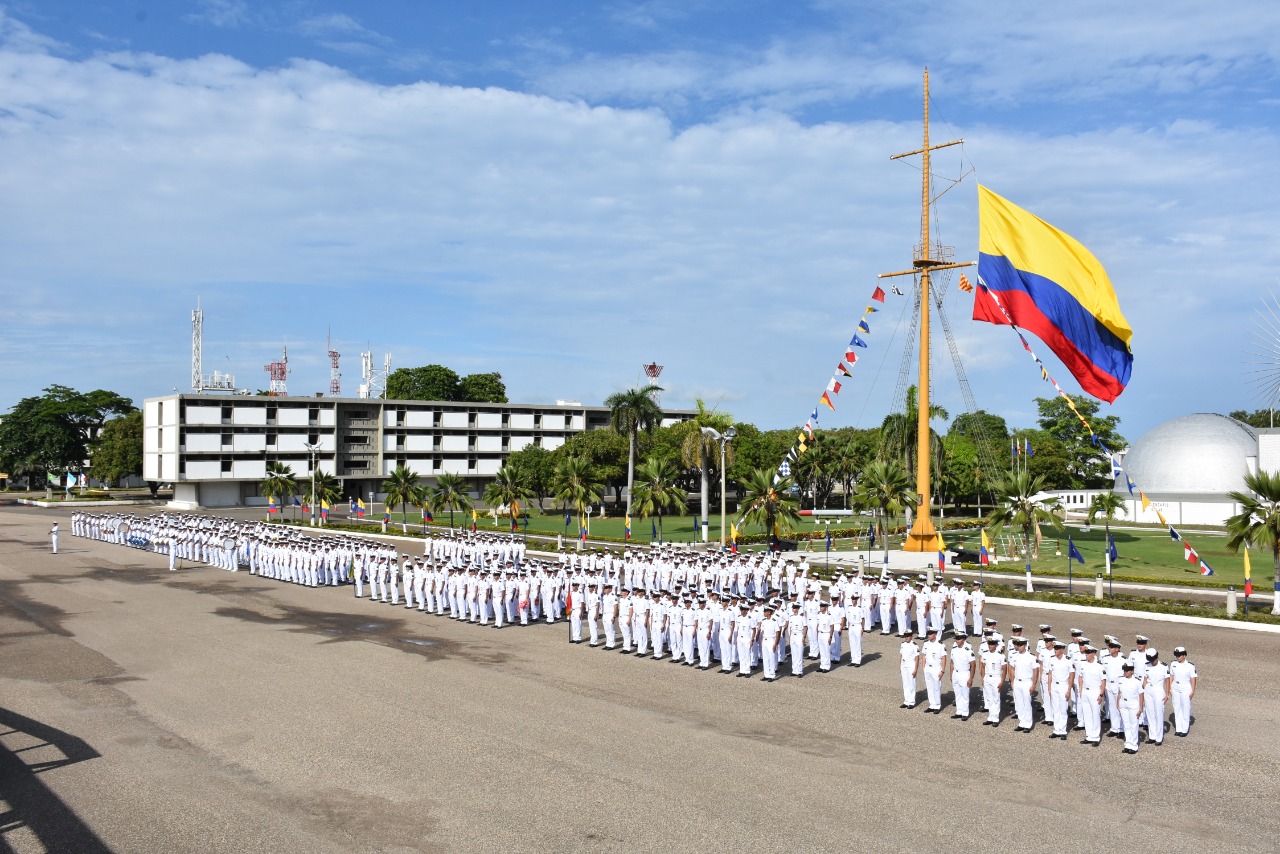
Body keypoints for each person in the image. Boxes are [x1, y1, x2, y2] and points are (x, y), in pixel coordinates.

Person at [1076, 646, 1106, 746]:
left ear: (1094, 654)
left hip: (1095, 691)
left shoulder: (1099, 666)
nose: (1086, 655)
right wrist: (1081, 690)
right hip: (1085, 691)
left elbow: (1103, 681)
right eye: (1086, 653)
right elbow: (1080, 677)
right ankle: (1089, 735)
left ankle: (1096, 737)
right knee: (1087, 714)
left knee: (1095, 714)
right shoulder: (1083, 664)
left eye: (1088, 653)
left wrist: (1101, 694)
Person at [1007, 637, 1038, 732]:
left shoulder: (1032, 657)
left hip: (1027, 682)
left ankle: (1028, 724)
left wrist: (1034, 684)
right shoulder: (1014, 656)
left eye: (1020, 645)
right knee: (1019, 703)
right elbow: (1012, 668)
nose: (1018, 647)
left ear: (1024, 645)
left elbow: (1036, 671)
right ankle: (1021, 722)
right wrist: (1012, 681)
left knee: (1027, 703)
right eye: (1016, 645)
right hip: (1017, 682)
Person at [1045, 641, 1074, 739]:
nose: (1055, 650)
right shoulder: (1052, 659)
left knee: (1063, 709)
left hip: (1063, 686)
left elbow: (1071, 675)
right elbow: (1050, 674)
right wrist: (1049, 687)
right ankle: (1056, 730)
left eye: (1057, 649)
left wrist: (1069, 690)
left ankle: (1063, 731)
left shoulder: (1068, 660)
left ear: (1062, 650)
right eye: (1054, 648)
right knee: (1055, 708)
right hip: (1054, 686)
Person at [1116, 662, 1144, 754]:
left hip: (1133, 704)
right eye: (1124, 670)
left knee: (1134, 725)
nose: (1125, 672)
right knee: (1126, 725)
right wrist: (1118, 703)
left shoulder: (1137, 681)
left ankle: (1134, 745)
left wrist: (1140, 709)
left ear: (1132, 671)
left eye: (1127, 670)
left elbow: (1141, 695)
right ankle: (1128, 744)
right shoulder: (1121, 679)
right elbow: (1119, 692)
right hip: (1123, 703)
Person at [1168, 646, 1197, 737]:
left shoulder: (1190, 666)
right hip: (1175, 686)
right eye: (1176, 655)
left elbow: (1193, 678)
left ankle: (1184, 729)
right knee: (1177, 707)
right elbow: (1171, 676)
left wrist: (1192, 691)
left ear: (1184, 655)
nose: (1178, 657)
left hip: (1185, 687)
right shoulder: (1173, 663)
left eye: (1179, 655)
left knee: (1185, 708)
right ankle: (1178, 728)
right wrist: (1170, 687)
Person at [1142, 649, 1169, 745]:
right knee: (1150, 713)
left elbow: (1167, 681)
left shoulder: (1163, 666)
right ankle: (1152, 736)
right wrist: (1145, 688)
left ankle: (1159, 737)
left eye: (1152, 659)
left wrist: (1167, 694)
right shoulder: (1146, 665)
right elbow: (1144, 678)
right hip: (1149, 689)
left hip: (1158, 689)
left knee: (1159, 713)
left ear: (1156, 657)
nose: (1151, 661)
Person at [947, 632, 975, 720]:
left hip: (964, 673)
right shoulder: (954, 649)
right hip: (956, 673)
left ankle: (965, 713)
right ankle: (959, 711)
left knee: (965, 694)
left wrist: (971, 678)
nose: (957, 640)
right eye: (956, 638)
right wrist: (951, 674)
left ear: (963, 639)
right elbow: (952, 662)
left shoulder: (968, 651)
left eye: (959, 639)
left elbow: (973, 665)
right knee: (957, 693)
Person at [979, 637, 1006, 726]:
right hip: (987, 677)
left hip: (996, 678)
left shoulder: (1000, 656)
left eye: (992, 644)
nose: (990, 646)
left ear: (996, 645)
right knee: (989, 698)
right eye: (989, 644)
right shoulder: (985, 654)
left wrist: (1002, 682)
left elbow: (1004, 670)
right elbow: (982, 667)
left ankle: (995, 718)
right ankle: (990, 717)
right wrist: (983, 678)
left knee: (996, 698)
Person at [920, 627, 947, 713]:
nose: (929, 635)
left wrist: (942, 670)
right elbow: (924, 655)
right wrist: (923, 667)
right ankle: (932, 705)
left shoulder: (940, 645)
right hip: (928, 667)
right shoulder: (926, 644)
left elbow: (944, 658)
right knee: (929, 687)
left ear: (935, 634)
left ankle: (937, 706)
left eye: (931, 633)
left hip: (936, 668)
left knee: (936, 687)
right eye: (928, 633)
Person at [899, 628, 920, 709]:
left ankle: (911, 701)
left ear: (911, 636)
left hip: (911, 664)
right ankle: (906, 700)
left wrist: (915, 669)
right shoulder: (903, 644)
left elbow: (917, 658)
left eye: (908, 636)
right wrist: (900, 665)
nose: (906, 637)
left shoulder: (914, 645)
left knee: (911, 683)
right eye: (905, 636)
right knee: (905, 683)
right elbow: (901, 655)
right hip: (904, 664)